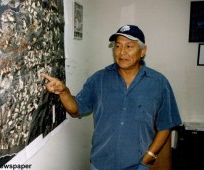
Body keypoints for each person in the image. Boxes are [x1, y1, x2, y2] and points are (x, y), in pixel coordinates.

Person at [41, 25, 182, 170]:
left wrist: (149, 157)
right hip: (101, 163)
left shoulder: (158, 82)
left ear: (142, 51)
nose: (122, 52)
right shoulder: (98, 79)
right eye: (118, 46)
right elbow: (76, 110)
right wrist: (64, 92)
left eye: (129, 46)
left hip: (139, 164)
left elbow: (166, 124)